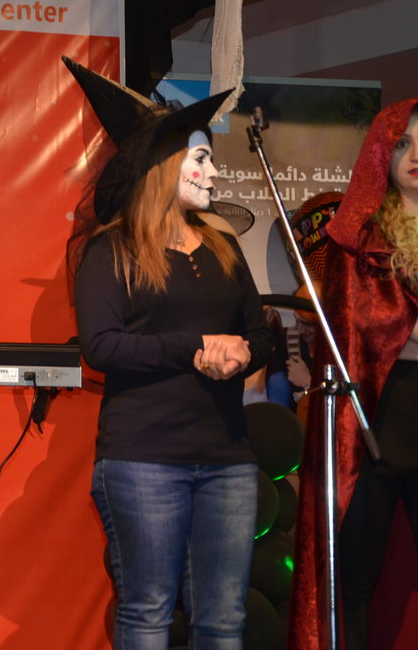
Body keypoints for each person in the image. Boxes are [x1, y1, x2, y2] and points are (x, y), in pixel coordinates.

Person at [63, 57, 274, 650]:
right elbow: (100, 346)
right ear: (163, 166)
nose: (211, 171)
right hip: (143, 461)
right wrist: (196, 348)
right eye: (201, 157)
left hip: (227, 459)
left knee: (223, 620)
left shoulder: (223, 246)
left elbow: (262, 332)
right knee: (150, 612)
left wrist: (241, 352)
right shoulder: (113, 251)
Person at [289, 99, 418, 650]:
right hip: (369, 427)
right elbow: (349, 333)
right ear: (383, 156)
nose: (417, 155)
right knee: (352, 582)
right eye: (405, 144)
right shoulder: (359, 241)